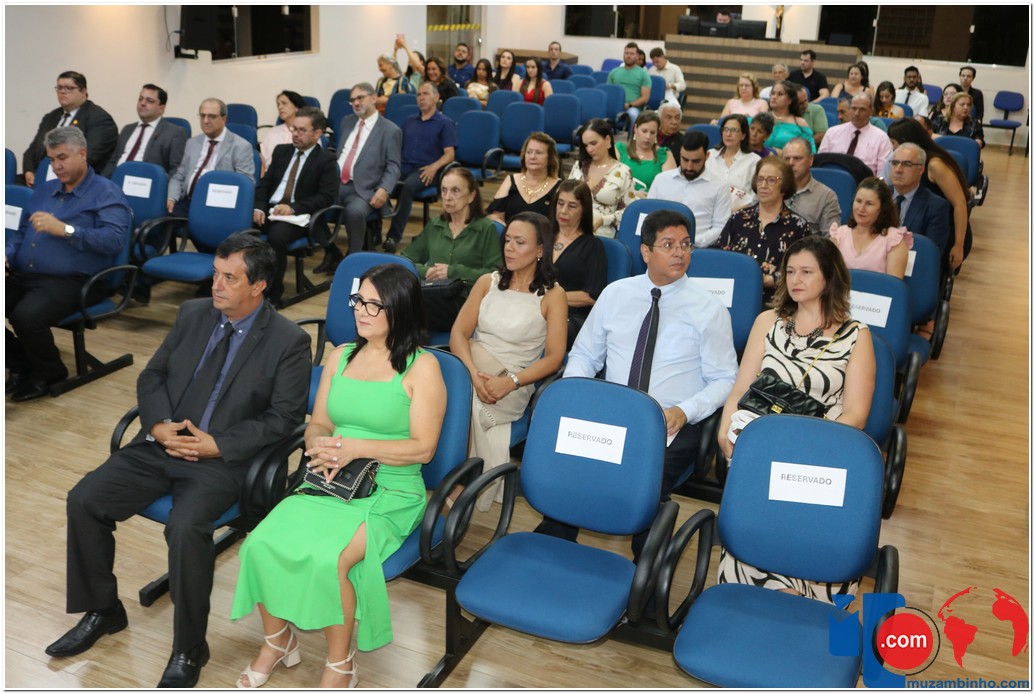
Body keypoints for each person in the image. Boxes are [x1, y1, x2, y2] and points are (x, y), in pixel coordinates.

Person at [46, 234, 311, 687]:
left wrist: (217, 445)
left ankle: (189, 648)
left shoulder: (289, 341)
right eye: (215, 274)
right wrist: (157, 424)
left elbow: (284, 419)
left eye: (230, 278)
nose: (217, 285)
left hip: (221, 461)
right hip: (160, 444)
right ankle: (104, 610)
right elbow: (153, 375)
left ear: (259, 286)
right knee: (84, 499)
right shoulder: (193, 314)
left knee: (186, 529)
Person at [231, 263, 444, 689]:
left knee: (330, 560)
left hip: (390, 490)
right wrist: (321, 447)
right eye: (358, 300)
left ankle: (341, 662)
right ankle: (277, 641)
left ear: (400, 310)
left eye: (373, 304)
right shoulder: (341, 355)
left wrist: (356, 448)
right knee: (259, 544)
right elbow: (320, 422)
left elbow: (423, 448)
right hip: (332, 477)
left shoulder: (422, 367)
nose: (361, 311)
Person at [539, 209, 737, 556]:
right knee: (567, 467)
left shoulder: (709, 309)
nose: (680, 253)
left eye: (686, 244)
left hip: (669, 422)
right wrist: (577, 398)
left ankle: (646, 567)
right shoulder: (616, 294)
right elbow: (584, 355)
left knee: (641, 485)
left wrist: (685, 411)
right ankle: (554, 546)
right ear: (645, 251)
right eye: (668, 245)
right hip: (610, 413)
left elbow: (724, 379)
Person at [716, 234, 874, 603]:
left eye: (806, 272)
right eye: (790, 272)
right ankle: (753, 599)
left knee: (801, 546)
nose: (795, 280)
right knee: (755, 537)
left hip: (821, 453)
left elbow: (857, 415)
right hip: (761, 447)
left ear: (829, 277)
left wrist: (804, 449)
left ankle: (802, 597)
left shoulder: (856, 336)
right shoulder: (767, 321)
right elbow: (740, 389)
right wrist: (726, 429)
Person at [449, 212, 568, 512]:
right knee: (439, 399)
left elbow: (555, 357)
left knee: (461, 408)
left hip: (512, 383)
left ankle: (456, 490)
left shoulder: (553, 295)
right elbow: (458, 334)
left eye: (519, 242)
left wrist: (510, 382)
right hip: (472, 369)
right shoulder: (486, 282)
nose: (509, 248)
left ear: (540, 249)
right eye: (508, 241)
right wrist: (472, 374)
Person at [6, 126, 131, 402]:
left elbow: (114, 241)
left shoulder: (106, 192)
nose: (56, 166)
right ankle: (21, 363)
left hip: (73, 280)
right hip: (24, 273)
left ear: (82, 154)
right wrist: (7, 255)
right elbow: (21, 233)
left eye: (62, 158)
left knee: (26, 317)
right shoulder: (44, 190)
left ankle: (50, 373)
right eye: (51, 159)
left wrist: (67, 230)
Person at [252, 107, 338, 307]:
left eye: (302, 130)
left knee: (276, 237)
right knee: (238, 229)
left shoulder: (326, 160)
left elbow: (326, 197)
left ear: (317, 134)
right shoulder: (282, 151)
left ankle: (273, 294)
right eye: (294, 129)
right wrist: (258, 208)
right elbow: (264, 184)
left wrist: (293, 207)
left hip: (299, 216)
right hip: (270, 210)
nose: (296, 134)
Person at [403, 167, 502, 333]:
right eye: (444, 190)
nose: (448, 197)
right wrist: (426, 271)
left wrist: (453, 272)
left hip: (467, 301)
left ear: (471, 196)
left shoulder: (486, 228)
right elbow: (406, 259)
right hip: (433, 293)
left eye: (455, 191)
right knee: (400, 297)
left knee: (414, 303)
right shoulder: (436, 225)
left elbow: (495, 275)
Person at [323, 83, 401, 270]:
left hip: (365, 189)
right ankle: (331, 251)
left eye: (360, 98)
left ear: (374, 98)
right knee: (310, 203)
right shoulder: (346, 121)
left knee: (354, 212)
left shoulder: (390, 130)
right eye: (352, 100)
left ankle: (354, 261)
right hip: (336, 184)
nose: (356, 103)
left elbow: (394, 166)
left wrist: (384, 189)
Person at [718, 156, 809, 303]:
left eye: (771, 180)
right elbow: (720, 257)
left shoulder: (798, 226)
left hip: (775, 302)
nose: (763, 185)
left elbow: (803, 270)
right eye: (760, 179)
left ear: (784, 185)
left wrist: (768, 280)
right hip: (733, 295)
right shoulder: (738, 218)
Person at [887, 118, 971, 272]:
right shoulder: (905, 163)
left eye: (894, 142)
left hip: (947, 228)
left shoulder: (935, 164)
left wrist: (958, 245)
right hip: (921, 222)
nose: (892, 147)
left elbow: (960, 204)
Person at [383, 82, 456, 253]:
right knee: (378, 179)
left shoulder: (445, 123)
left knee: (407, 187)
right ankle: (374, 226)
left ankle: (393, 237)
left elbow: (450, 154)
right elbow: (397, 147)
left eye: (425, 94)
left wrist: (434, 167)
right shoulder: (409, 121)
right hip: (403, 166)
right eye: (419, 95)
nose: (421, 98)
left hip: (426, 170)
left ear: (436, 97)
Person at [23, 71, 118, 187]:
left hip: (76, 182)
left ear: (83, 92)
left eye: (69, 88)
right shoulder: (51, 117)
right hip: (41, 178)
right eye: (59, 88)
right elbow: (33, 149)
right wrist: (29, 172)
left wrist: (56, 171)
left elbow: (89, 156)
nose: (63, 92)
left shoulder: (99, 118)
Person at [166, 98, 255, 216]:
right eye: (202, 116)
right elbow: (179, 176)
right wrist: (171, 197)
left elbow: (246, 183)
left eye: (212, 116)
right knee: (162, 220)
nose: (206, 121)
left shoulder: (241, 146)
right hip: (187, 202)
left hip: (217, 205)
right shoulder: (192, 143)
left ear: (224, 119)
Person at [649, 130, 731, 248]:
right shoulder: (661, 180)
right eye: (685, 159)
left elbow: (720, 227)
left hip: (698, 249)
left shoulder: (720, 186)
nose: (689, 167)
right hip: (661, 247)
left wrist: (690, 242)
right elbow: (648, 217)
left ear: (707, 156)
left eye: (696, 161)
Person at [550, 180, 607, 347]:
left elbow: (591, 297)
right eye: (560, 203)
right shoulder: (543, 236)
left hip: (573, 316)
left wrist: (548, 298)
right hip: (536, 308)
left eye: (572, 206)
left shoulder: (593, 246)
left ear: (584, 210)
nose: (563, 211)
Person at [829, 177, 912, 278]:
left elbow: (893, 285)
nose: (861, 208)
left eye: (869, 204)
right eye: (858, 201)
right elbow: (829, 278)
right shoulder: (839, 235)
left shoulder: (894, 240)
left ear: (882, 209)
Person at [567, 119, 637, 238]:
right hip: (572, 229)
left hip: (603, 234)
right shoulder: (579, 166)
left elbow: (630, 210)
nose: (589, 149)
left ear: (608, 140)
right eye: (586, 145)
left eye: (593, 143)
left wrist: (604, 220)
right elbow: (565, 197)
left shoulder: (623, 172)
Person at [101, 83, 188, 178]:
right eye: (140, 99)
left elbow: (176, 171)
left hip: (145, 182)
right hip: (117, 180)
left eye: (149, 101)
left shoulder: (174, 133)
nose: (142, 103)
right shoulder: (127, 129)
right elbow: (113, 162)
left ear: (162, 108)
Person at [888, 143, 952, 268]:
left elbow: (930, 254)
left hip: (911, 267)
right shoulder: (877, 197)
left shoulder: (936, 206)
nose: (898, 170)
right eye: (895, 163)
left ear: (921, 169)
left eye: (907, 164)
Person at [488, 132, 562, 224]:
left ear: (550, 158)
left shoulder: (559, 187)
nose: (532, 157)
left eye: (538, 153)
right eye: (529, 152)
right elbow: (495, 216)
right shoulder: (511, 180)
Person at [818, 93, 893, 176]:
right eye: (854, 108)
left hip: (865, 182)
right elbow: (820, 164)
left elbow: (883, 175)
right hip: (832, 179)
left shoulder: (881, 138)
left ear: (871, 111)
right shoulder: (832, 133)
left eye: (862, 109)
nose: (857, 113)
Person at [783, 136, 841, 237]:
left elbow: (831, 238)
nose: (791, 163)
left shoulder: (826, 196)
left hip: (806, 245)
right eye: (787, 159)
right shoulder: (771, 187)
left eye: (797, 158)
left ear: (811, 160)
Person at [705, 113, 761, 211]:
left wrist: (734, 212)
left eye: (734, 130)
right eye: (725, 129)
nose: (728, 134)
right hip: (707, 209)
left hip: (740, 213)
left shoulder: (754, 161)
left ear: (743, 135)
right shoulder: (709, 155)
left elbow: (755, 198)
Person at [616, 110, 676, 193]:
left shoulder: (664, 155)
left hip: (651, 199)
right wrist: (634, 194)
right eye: (644, 131)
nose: (648, 136)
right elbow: (609, 183)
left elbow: (670, 189)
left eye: (652, 132)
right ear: (635, 129)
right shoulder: (620, 149)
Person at [259, 90, 306, 175]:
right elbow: (262, 159)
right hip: (270, 178)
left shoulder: (308, 133)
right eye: (278, 104)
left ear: (296, 107)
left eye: (284, 103)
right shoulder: (273, 132)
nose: (280, 107)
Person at [765, 79, 815, 153]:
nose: (774, 97)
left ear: (790, 100)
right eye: (773, 93)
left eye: (780, 94)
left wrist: (781, 154)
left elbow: (810, 152)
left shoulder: (800, 123)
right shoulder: (761, 119)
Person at [606, 42, 651, 123]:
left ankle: (632, 132)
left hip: (632, 108)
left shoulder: (643, 74)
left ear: (637, 56)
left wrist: (629, 105)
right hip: (614, 106)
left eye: (632, 54)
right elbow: (608, 92)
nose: (628, 56)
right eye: (626, 53)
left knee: (633, 114)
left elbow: (645, 98)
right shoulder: (614, 72)